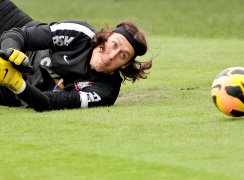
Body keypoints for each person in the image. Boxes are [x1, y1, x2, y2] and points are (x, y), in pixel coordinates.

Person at [0, 0, 153, 111]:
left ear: (125, 64)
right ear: (106, 37)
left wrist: (16, 83)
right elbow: (19, 34)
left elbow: (47, 103)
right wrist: (9, 53)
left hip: (13, 92)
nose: (112, 55)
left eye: (123, 55)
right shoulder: (80, 33)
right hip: (15, 35)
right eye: (114, 44)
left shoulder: (104, 91)